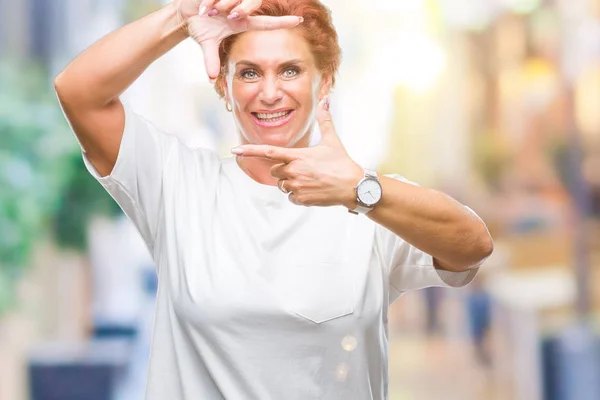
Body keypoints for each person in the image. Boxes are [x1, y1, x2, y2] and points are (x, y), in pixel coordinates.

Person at [54, 0, 494, 398]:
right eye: (248, 72)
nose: (268, 92)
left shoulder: (369, 199)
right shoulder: (177, 183)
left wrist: (360, 192)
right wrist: (181, 18)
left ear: (325, 83)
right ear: (224, 87)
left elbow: (473, 244)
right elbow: (78, 92)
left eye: (290, 70)